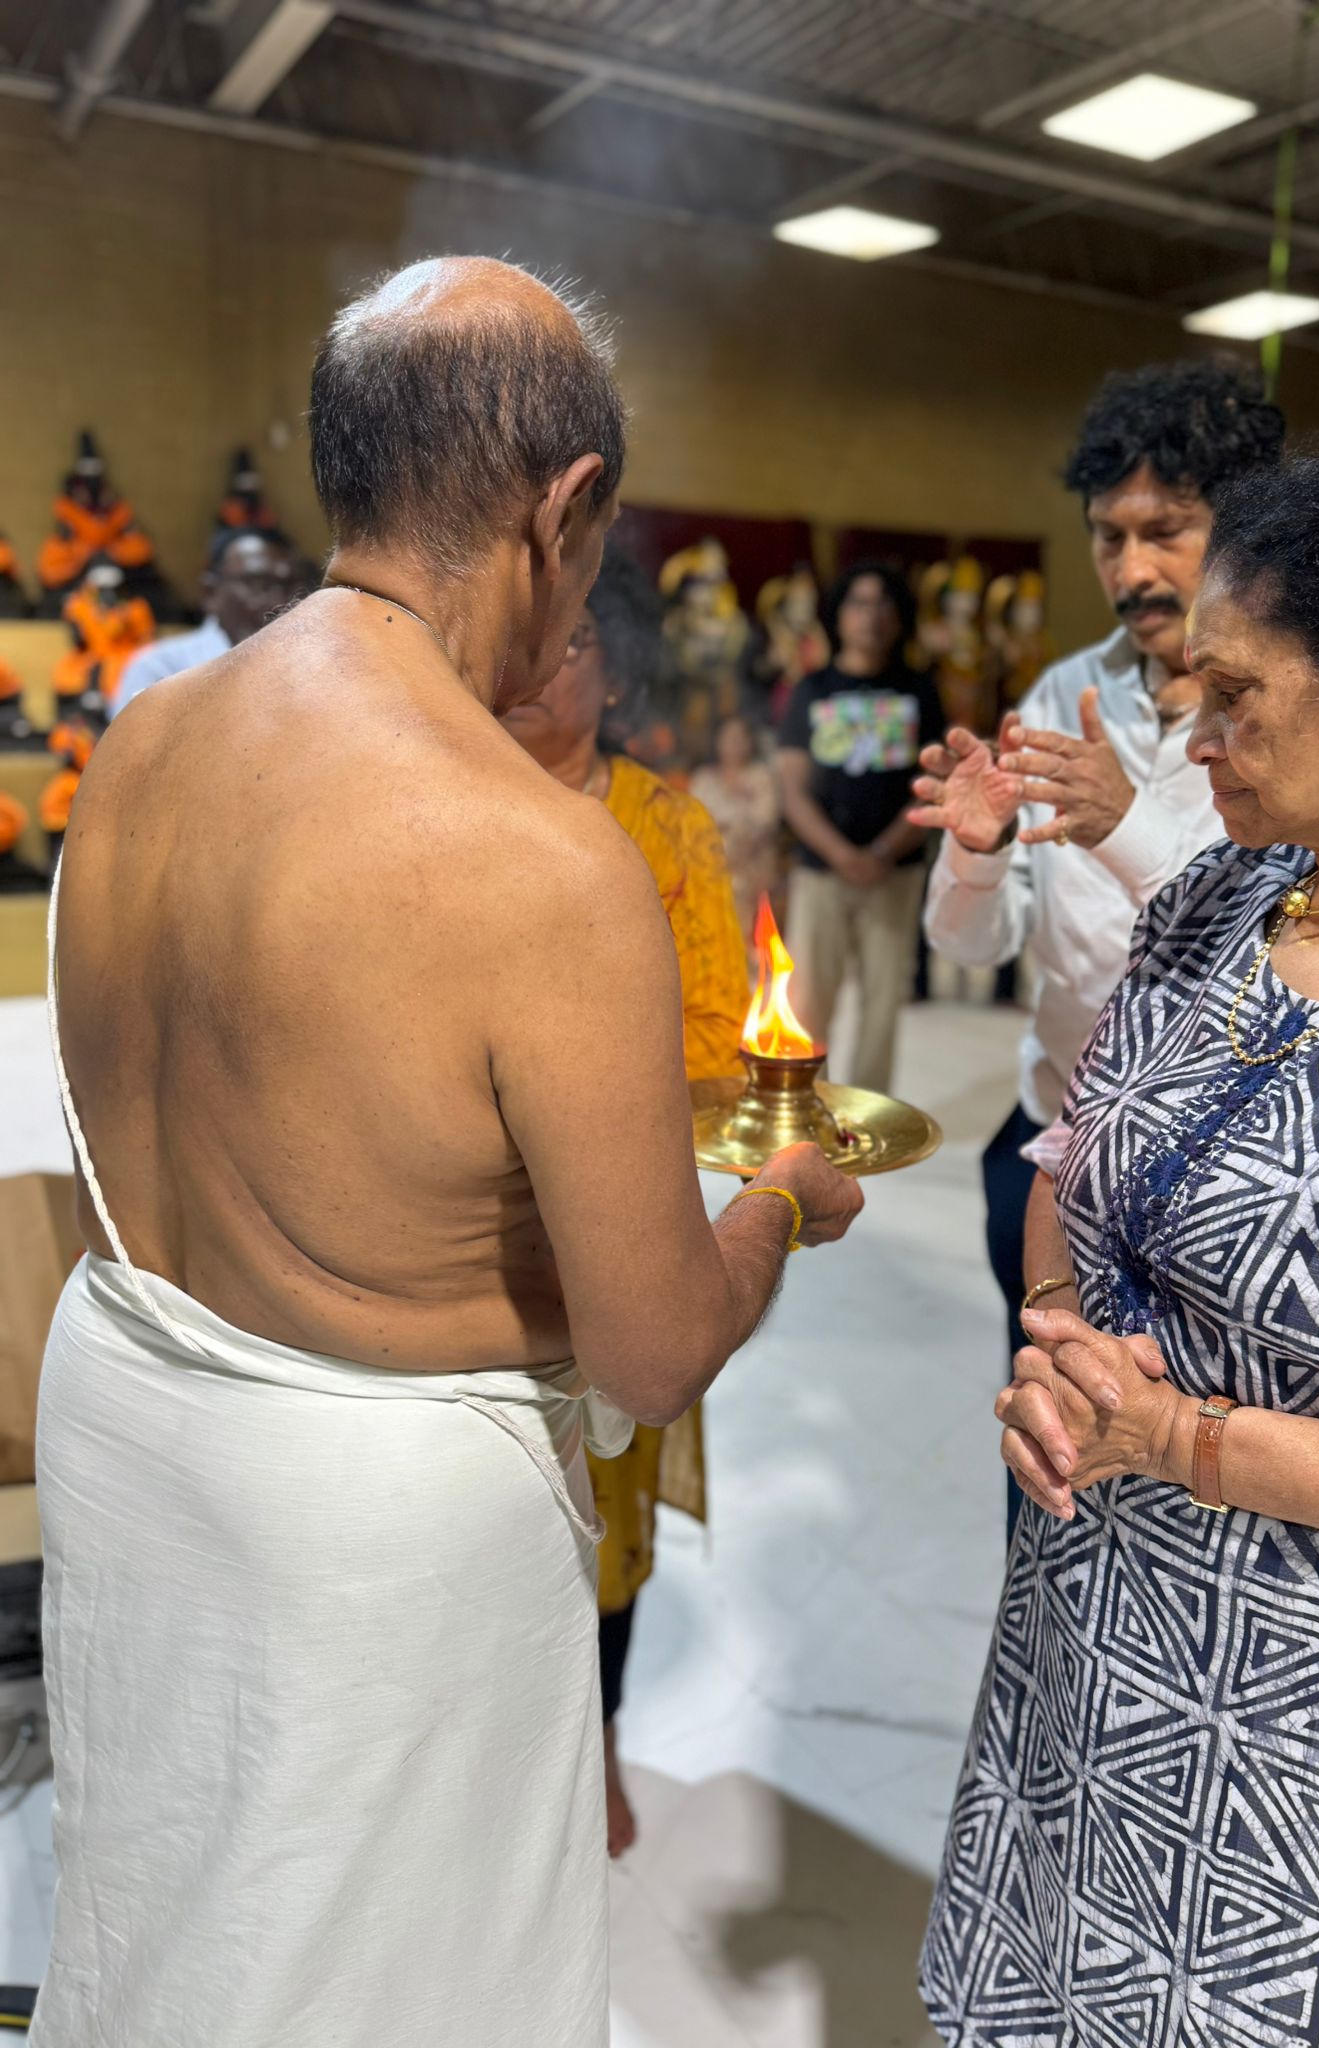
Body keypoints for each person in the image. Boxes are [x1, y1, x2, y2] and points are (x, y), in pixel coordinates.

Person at [36, 256, 862, 2048]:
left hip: (126, 1415)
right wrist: (777, 1206)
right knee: (385, 1986)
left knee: (174, 1924)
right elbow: (649, 1353)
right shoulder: (538, 860)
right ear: (567, 509)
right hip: (367, 1525)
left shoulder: (146, 740)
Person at [924, 440, 1319, 2046]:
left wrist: (1183, 1440)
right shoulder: (1221, 904)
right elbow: (1071, 1150)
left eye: (1237, 698)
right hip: (1094, 1678)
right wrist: (1056, 1334)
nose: (1195, 742)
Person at [912, 359, 1284, 1536]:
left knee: (1188, 1489)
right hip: (1049, 1158)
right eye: (1107, 536)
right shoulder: (1064, 691)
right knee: (1048, 1465)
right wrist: (976, 852)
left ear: (1243, 526)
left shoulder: (1287, 707)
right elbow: (970, 941)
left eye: (1165, 531)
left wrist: (1126, 823)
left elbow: (1265, 937)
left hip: (1215, 1184)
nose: (1131, 569)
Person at [500, 544, 750, 1859]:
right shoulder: (446, 798)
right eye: (528, 639)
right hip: (464, 1205)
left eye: (576, 643)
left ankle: (594, 1740)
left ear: (615, 677)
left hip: (613, 1197)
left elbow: (718, 1033)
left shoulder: (667, 827)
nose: (544, 665)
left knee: (606, 1486)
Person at [778, 560, 946, 1092]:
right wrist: (841, 855)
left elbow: (933, 782)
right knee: (808, 1002)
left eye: (883, 603)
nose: (871, 616)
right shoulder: (813, 689)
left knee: (881, 1005)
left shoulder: (919, 691)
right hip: (820, 872)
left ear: (899, 617)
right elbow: (792, 789)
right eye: (858, 602)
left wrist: (882, 852)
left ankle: (867, 1116)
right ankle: (805, 1109)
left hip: (894, 871)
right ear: (838, 614)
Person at [111, 528, 300, 715]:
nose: (280, 602)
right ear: (210, 593)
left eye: (290, 586)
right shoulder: (160, 669)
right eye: (259, 585)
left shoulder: (302, 669)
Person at [691, 712, 783, 954]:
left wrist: (731, 831)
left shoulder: (761, 777)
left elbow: (766, 822)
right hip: (711, 876)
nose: (733, 745)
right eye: (728, 738)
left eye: (739, 738)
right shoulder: (704, 779)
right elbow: (694, 824)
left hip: (753, 876)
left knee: (754, 944)